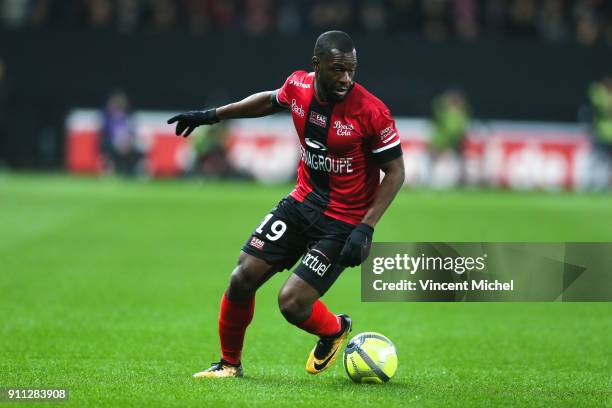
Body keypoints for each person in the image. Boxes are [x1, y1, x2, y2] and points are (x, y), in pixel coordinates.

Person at [167, 31, 405, 378]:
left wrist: (366, 228)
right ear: (317, 65)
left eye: (352, 70)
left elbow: (395, 171)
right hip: (301, 202)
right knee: (241, 278)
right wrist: (211, 115)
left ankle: (335, 329)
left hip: (343, 221)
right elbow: (268, 101)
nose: (346, 78)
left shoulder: (371, 112)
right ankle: (229, 365)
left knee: (292, 303)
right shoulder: (298, 86)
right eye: (338, 70)